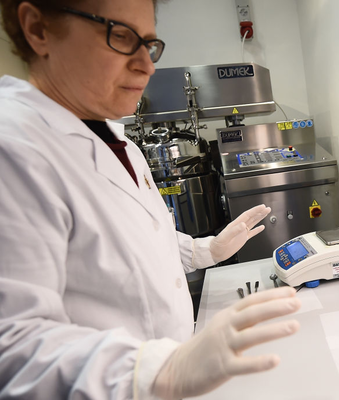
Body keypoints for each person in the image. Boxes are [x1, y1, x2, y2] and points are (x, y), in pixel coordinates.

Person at [0, 0, 301, 399]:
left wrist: (206, 249)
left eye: (149, 44)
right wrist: (159, 371)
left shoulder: (117, 139)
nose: (147, 65)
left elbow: (134, 240)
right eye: (122, 37)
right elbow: (12, 348)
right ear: (39, 29)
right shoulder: (13, 148)